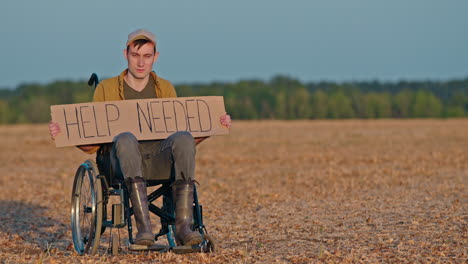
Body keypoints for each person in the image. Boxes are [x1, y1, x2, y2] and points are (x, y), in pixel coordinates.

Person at [49, 29, 231, 246]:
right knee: (125, 137)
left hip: (159, 160)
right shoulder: (106, 89)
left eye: (147, 56)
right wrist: (66, 133)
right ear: (125, 54)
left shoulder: (165, 88)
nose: (141, 62)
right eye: (136, 55)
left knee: (183, 136)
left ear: (156, 57)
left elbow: (184, 144)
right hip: (121, 162)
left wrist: (211, 127)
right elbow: (91, 144)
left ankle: (184, 228)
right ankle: (144, 230)